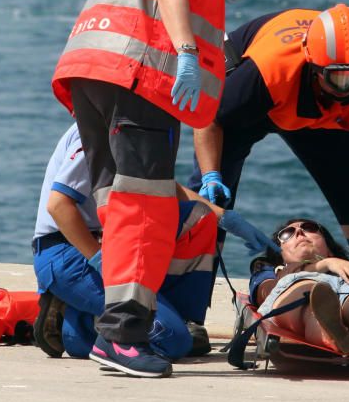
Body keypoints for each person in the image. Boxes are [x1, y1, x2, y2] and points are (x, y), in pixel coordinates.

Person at [51, 0, 254, 378]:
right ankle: (122, 337)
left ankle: (112, 334)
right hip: (140, 78)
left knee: (117, 204)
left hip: (90, 69)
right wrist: (186, 53)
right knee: (144, 207)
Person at [189, 4, 349, 282]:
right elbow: (210, 119)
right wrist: (211, 176)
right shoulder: (267, 72)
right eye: (341, 80)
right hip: (250, 105)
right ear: (315, 69)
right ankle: (184, 308)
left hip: (322, 113)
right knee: (206, 207)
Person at [32, 123, 272, 361]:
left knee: (198, 218)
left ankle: (177, 317)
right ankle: (72, 325)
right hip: (69, 249)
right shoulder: (98, 129)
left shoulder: (138, 121)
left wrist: (224, 217)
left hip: (113, 238)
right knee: (172, 340)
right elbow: (58, 205)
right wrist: (100, 260)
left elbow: (163, 186)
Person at [248, 218, 349, 355]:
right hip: (300, 290)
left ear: (329, 248)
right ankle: (329, 332)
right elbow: (265, 292)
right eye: (287, 234)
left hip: (347, 286)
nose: (300, 233)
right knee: (307, 296)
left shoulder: (347, 269)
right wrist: (326, 263)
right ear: (280, 254)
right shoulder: (274, 271)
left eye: (309, 228)